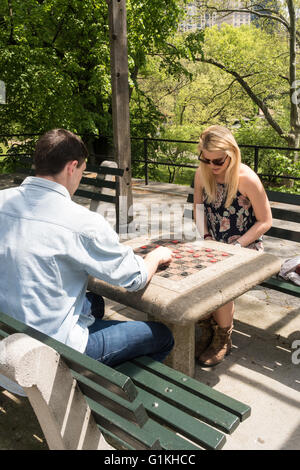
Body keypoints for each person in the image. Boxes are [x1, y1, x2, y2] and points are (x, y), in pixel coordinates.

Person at [0, 129, 174, 395]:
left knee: (97, 303)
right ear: (72, 167)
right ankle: (105, 396)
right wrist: (154, 257)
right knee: (162, 336)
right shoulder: (82, 222)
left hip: (6, 347)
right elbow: (134, 279)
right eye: (82, 171)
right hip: (43, 361)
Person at [194, 125, 272, 367]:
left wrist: (237, 245)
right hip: (213, 243)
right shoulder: (201, 173)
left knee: (220, 279)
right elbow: (198, 210)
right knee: (193, 272)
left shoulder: (246, 178)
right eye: (205, 160)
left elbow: (265, 221)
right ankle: (207, 330)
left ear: (232, 153)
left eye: (217, 161)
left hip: (245, 246)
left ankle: (222, 338)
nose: (211, 166)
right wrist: (205, 236)